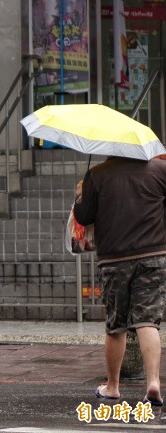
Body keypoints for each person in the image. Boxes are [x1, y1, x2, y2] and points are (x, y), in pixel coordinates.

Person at [73, 156, 166, 406]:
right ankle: (153, 383)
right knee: (148, 321)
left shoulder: (98, 174)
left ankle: (113, 386)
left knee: (117, 325)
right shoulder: (159, 170)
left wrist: (81, 193)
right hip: (153, 255)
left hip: (114, 259)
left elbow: (83, 217)